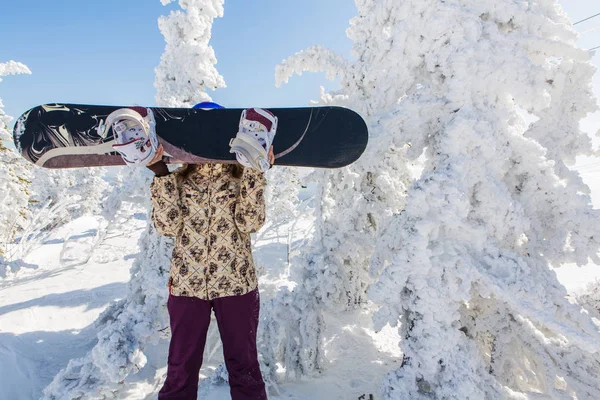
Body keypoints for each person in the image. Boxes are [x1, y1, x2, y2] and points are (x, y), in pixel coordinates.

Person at [147, 142, 274, 400]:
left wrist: (255, 170)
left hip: (236, 284)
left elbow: (252, 221)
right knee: (181, 367)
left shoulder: (239, 178)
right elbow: (166, 225)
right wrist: (161, 173)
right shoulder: (180, 181)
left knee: (244, 365)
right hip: (187, 285)